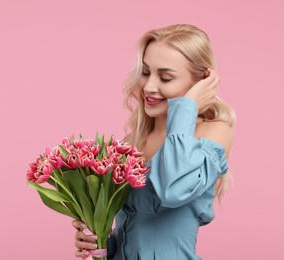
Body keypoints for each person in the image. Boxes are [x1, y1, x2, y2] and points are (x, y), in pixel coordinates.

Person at [72, 24, 235, 259]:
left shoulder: (213, 133)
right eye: (146, 72)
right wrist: (98, 239)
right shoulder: (131, 142)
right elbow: (132, 231)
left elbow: (173, 190)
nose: (148, 86)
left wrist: (187, 108)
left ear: (200, 82)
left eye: (166, 77)